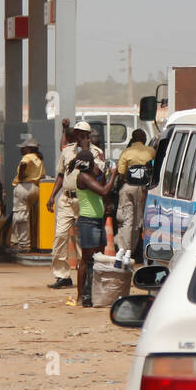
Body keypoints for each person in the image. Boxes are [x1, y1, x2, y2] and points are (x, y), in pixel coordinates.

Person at [47, 119, 105, 289]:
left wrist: (86, 151)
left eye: (83, 134)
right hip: (66, 199)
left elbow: (99, 173)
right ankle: (62, 275)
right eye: (77, 133)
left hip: (84, 201)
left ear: (88, 135)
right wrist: (52, 195)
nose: (79, 136)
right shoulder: (67, 152)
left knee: (84, 241)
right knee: (60, 236)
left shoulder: (96, 152)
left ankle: (85, 274)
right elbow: (60, 175)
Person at [72, 145, 118, 308]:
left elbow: (100, 180)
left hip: (97, 221)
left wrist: (102, 170)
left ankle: (92, 294)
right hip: (88, 222)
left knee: (98, 260)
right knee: (86, 260)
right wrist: (113, 174)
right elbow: (104, 191)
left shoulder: (90, 174)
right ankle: (80, 296)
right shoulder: (83, 177)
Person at [114, 127, 155, 258]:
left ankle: (123, 249)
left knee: (126, 219)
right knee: (138, 220)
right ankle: (132, 249)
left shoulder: (126, 152)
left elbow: (120, 175)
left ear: (132, 139)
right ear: (144, 139)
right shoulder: (151, 151)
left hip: (128, 187)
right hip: (143, 189)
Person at [11, 135, 46, 253]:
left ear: (29, 149)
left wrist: (21, 175)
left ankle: (23, 244)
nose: (21, 150)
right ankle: (23, 242)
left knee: (20, 216)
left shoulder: (28, 156)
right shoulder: (38, 159)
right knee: (27, 216)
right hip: (35, 188)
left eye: (23, 148)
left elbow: (23, 164)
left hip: (24, 187)